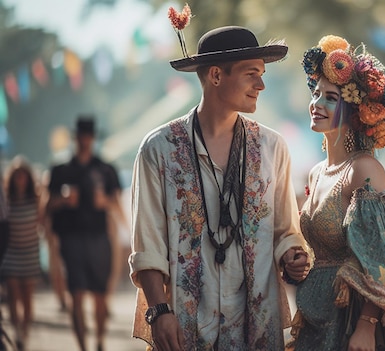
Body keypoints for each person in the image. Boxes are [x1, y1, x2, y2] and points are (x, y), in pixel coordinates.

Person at [128, 24, 313, 351]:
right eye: (251, 74)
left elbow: (286, 229)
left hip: (255, 327)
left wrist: (294, 254)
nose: (261, 84)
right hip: (186, 326)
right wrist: (158, 312)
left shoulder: (272, 147)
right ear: (216, 75)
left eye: (262, 74)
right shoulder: (159, 149)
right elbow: (148, 244)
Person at [289, 34, 385, 350]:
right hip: (315, 314)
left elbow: (379, 259)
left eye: (331, 97)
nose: (317, 104)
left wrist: (366, 326)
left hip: (352, 321)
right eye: (316, 94)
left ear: (356, 111)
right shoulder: (316, 173)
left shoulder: (364, 169)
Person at [47, 116, 123, 351]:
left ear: (93, 138)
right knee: (77, 295)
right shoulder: (61, 170)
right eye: (81, 136)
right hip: (71, 239)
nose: (85, 141)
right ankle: (83, 347)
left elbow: (117, 204)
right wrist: (62, 200)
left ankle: (99, 340)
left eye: (88, 136)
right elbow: (47, 206)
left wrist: (106, 203)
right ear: (76, 138)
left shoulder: (106, 169)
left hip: (99, 238)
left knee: (100, 297)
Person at [0, 157, 43, 351]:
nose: (20, 179)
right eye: (17, 175)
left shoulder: (35, 199)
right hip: (11, 254)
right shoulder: (6, 200)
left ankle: (24, 334)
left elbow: (43, 222)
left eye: (23, 175)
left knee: (27, 300)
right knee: (12, 296)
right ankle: (16, 331)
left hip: (29, 254)